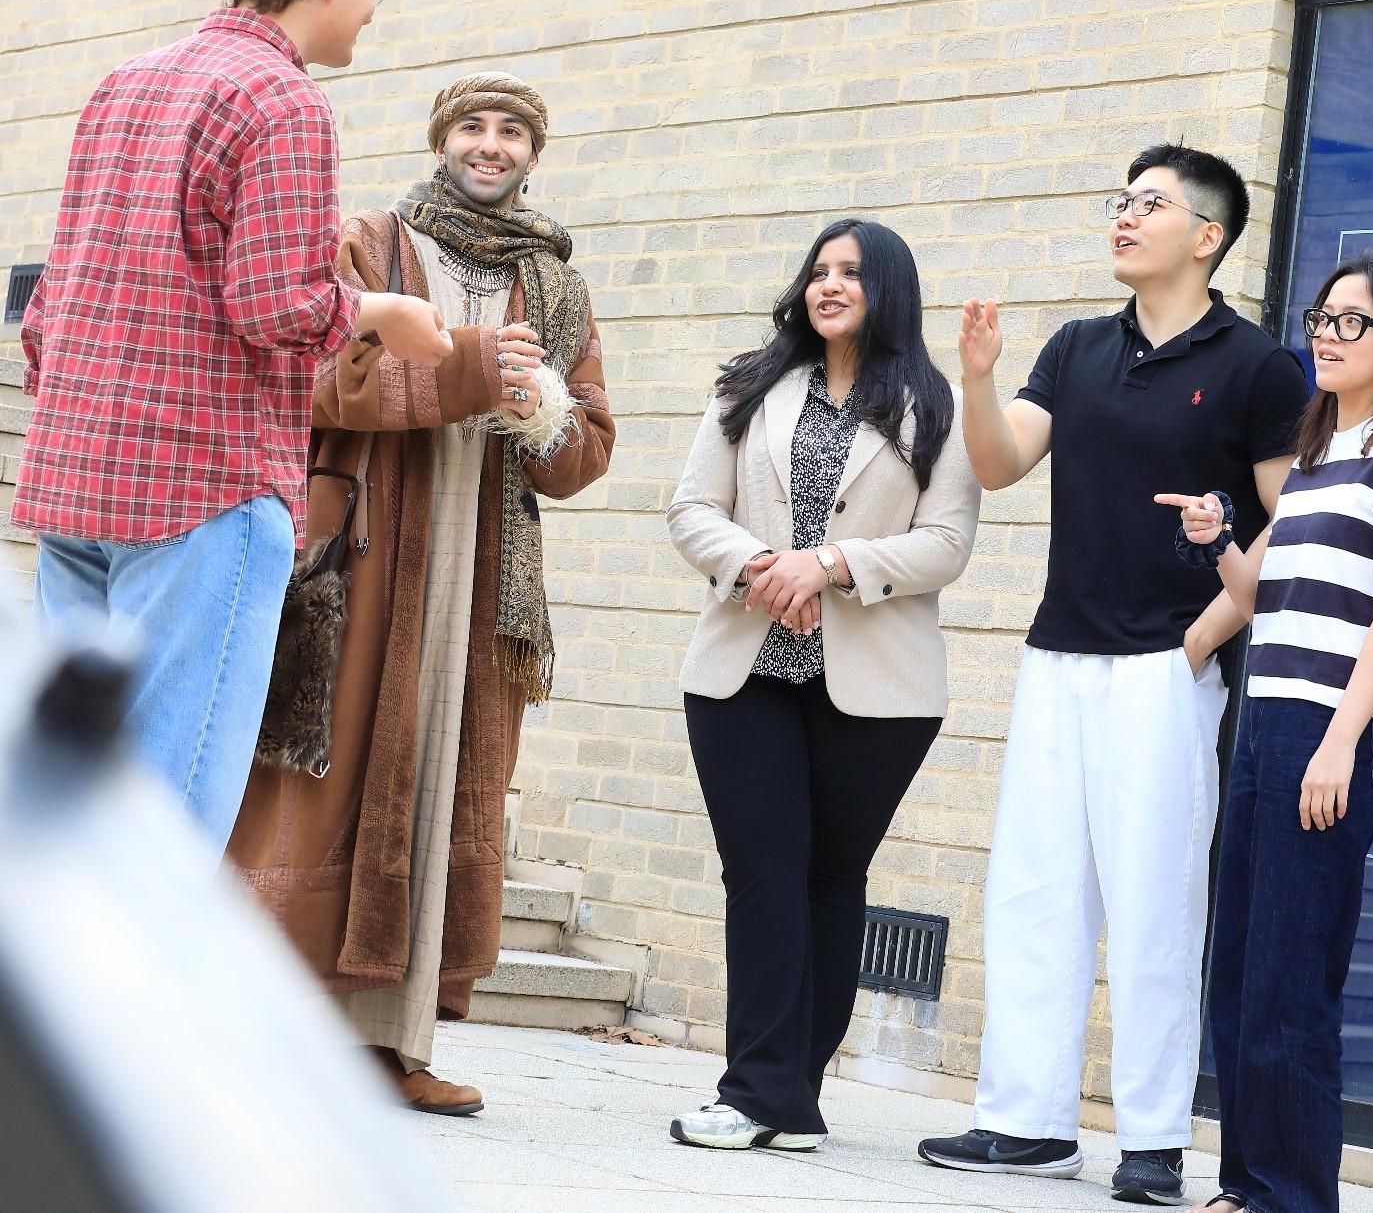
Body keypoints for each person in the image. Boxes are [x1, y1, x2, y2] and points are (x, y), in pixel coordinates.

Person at [15, 0, 453, 849]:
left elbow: (52, 305)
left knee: (65, 816)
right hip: (202, 493)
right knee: (163, 837)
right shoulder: (283, 99)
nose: (375, 11)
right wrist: (386, 309)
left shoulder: (122, 84)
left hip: (77, 482)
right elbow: (277, 306)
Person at [919, 144, 1310, 1205]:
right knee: (1035, 892)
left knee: (1153, 905)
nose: (1124, 219)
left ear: (1209, 234)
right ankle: (1024, 1120)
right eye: (1120, 201)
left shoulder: (1256, 364)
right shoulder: (1079, 345)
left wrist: (1209, 629)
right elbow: (999, 464)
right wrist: (982, 374)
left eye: (1149, 204)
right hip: (1058, 652)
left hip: (1164, 668)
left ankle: (1150, 1142)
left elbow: (1292, 513)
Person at [229, 72, 615, 1116]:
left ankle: (394, 1047)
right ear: (443, 138)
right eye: (473, 127)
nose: (490, 146)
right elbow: (315, 377)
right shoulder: (370, 241)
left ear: (535, 152)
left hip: (483, 575)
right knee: (326, 787)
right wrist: (474, 366)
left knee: (447, 790)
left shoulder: (559, 284)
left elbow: (582, 453)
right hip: (363, 555)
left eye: (512, 133)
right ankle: (267, 1024)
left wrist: (536, 408)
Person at [665, 219, 980, 1151]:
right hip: (744, 670)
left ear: (890, 289)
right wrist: (768, 564)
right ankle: (760, 1090)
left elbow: (947, 544)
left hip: (878, 689)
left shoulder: (940, 406)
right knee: (763, 869)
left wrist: (833, 564)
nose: (829, 284)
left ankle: (791, 1093)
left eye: (851, 272)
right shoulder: (749, 386)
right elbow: (690, 508)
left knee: (832, 878)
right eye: (819, 270)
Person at [1164, 254, 1373, 1213]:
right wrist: (1218, 539)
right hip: (1266, 727)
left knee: (1292, 977)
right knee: (1243, 973)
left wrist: (1339, 742)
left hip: (1333, 732)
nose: (1326, 336)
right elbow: (1258, 597)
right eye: (1321, 318)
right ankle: (1248, 1186)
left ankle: (1290, 1197)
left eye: (1350, 323)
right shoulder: (1310, 461)